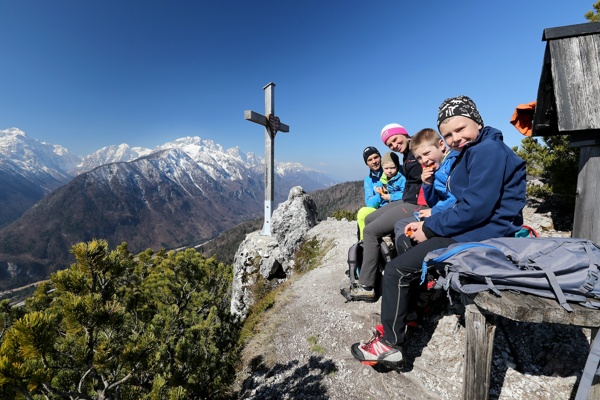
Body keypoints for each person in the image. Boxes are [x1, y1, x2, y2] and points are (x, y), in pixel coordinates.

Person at [350, 95, 527, 367]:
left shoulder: (486, 151)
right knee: (407, 247)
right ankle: (414, 308)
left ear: (477, 122)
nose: (455, 138)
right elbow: (464, 203)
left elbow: (474, 209)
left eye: (460, 129)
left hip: (482, 234)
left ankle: (389, 344)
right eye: (449, 134)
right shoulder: (475, 150)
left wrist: (429, 227)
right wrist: (429, 221)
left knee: (397, 269)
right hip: (478, 228)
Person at [349, 124, 427, 301]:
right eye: (389, 144)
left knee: (369, 231)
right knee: (369, 218)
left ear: (404, 134)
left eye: (394, 140)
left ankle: (367, 285)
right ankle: (375, 268)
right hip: (408, 199)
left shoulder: (418, 149)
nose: (393, 145)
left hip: (418, 203)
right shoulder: (407, 154)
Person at [393, 128, 458, 252]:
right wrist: (427, 184)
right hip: (441, 211)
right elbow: (433, 201)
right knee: (400, 226)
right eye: (419, 158)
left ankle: (408, 259)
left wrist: (434, 211)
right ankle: (407, 256)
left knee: (403, 227)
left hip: (447, 214)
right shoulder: (438, 168)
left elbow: (456, 197)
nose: (424, 160)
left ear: (441, 145)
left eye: (427, 153)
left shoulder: (452, 164)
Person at [356, 146, 383, 240]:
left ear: (380, 157)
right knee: (362, 212)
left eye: (376, 157)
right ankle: (363, 242)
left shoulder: (391, 170)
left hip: (394, 208)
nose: (374, 161)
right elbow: (369, 203)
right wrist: (381, 194)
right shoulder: (368, 180)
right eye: (370, 160)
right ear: (367, 163)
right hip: (380, 210)